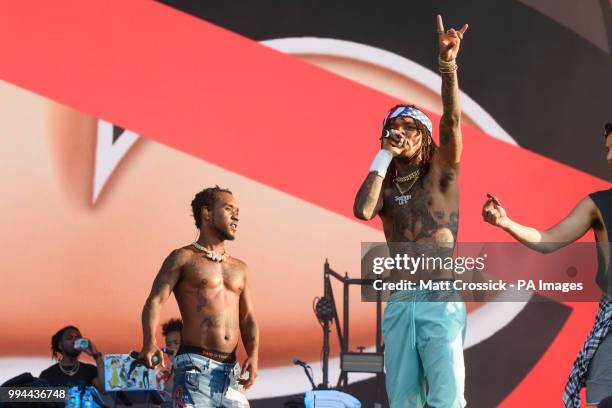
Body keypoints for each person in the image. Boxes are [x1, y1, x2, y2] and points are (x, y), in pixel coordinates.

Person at [353, 15, 469, 408]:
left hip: (440, 293)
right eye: (393, 127)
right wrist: (382, 154)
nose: (400, 132)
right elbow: (362, 209)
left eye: (409, 127)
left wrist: (448, 66)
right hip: (401, 297)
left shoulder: (441, 173)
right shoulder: (384, 185)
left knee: (447, 397)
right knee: (403, 400)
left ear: (424, 136)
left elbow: (452, 121)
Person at [482, 122, 612, 407]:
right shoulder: (598, 205)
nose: (610, 156)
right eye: (607, 150)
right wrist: (505, 222)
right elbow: (548, 240)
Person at [139, 186, 258, 407]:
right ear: (207, 213)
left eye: (237, 210)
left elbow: (248, 318)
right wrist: (149, 341)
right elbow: (155, 300)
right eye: (229, 208)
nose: (236, 215)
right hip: (195, 368)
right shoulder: (183, 258)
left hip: (232, 374)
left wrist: (253, 354)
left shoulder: (240, 268)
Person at [39, 325, 105, 392]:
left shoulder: (89, 370)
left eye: (78, 338)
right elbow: (41, 400)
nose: (74, 341)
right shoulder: (47, 375)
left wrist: (96, 354)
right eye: (69, 338)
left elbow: (104, 389)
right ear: (60, 345)